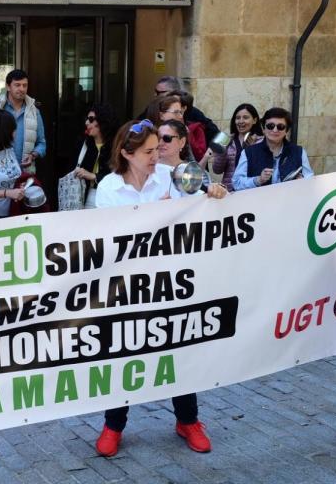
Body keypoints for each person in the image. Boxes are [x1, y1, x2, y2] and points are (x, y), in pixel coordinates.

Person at [94, 119, 225, 457]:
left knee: (178, 349)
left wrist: (213, 192)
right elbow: (112, 235)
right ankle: (113, 425)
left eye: (158, 148)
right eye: (149, 151)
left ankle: (188, 421)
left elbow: (204, 194)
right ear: (127, 153)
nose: (157, 156)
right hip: (127, 285)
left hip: (171, 282)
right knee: (125, 352)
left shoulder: (171, 176)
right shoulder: (109, 187)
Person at [232, 107, 314, 190]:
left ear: (286, 131)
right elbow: (236, 183)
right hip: (258, 201)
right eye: (270, 126)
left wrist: (302, 181)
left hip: (289, 200)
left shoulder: (298, 152)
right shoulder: (248, 152)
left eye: (280, 127)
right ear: (264, 129)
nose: (275, 130)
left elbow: (310, 179)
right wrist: (258, 180)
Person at [0, 69, 46, 173]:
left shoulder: (34, 112)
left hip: (25, 171)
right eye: (17, 85)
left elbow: (42, 143)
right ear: (8, 86)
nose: (22, 89)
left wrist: (33, 155)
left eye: (25, 85)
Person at [72, 103, 118, 209]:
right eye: (87, 119)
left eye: (91, 119)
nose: (87, 122)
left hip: (111, 197)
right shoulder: (83, 144)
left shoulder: (117, 146)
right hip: (87, 196)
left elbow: (121, 175)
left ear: (103, 121)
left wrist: (94, 176)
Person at [211, 104, 263, 192]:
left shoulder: (261, 141)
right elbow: (217, 170)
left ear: (254, 120)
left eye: (245, 117)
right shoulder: (227, 140)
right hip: (229, 192)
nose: (240, 121)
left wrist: (252, 149)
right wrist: (221, 151)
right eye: (238, 118)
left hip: (252, 191)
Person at [152, 76, 220, 141]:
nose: (155, 95)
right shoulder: (152, 110)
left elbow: (217, 134)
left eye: (159, 92)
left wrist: (212, 150)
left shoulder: (194, 114)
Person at [155, 92, 209, 162]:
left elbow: (191, 161)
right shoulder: (151, 133)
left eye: (180, 112)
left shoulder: (183, 131)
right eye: (176, 112)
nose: (180, 116)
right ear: (162, 115)